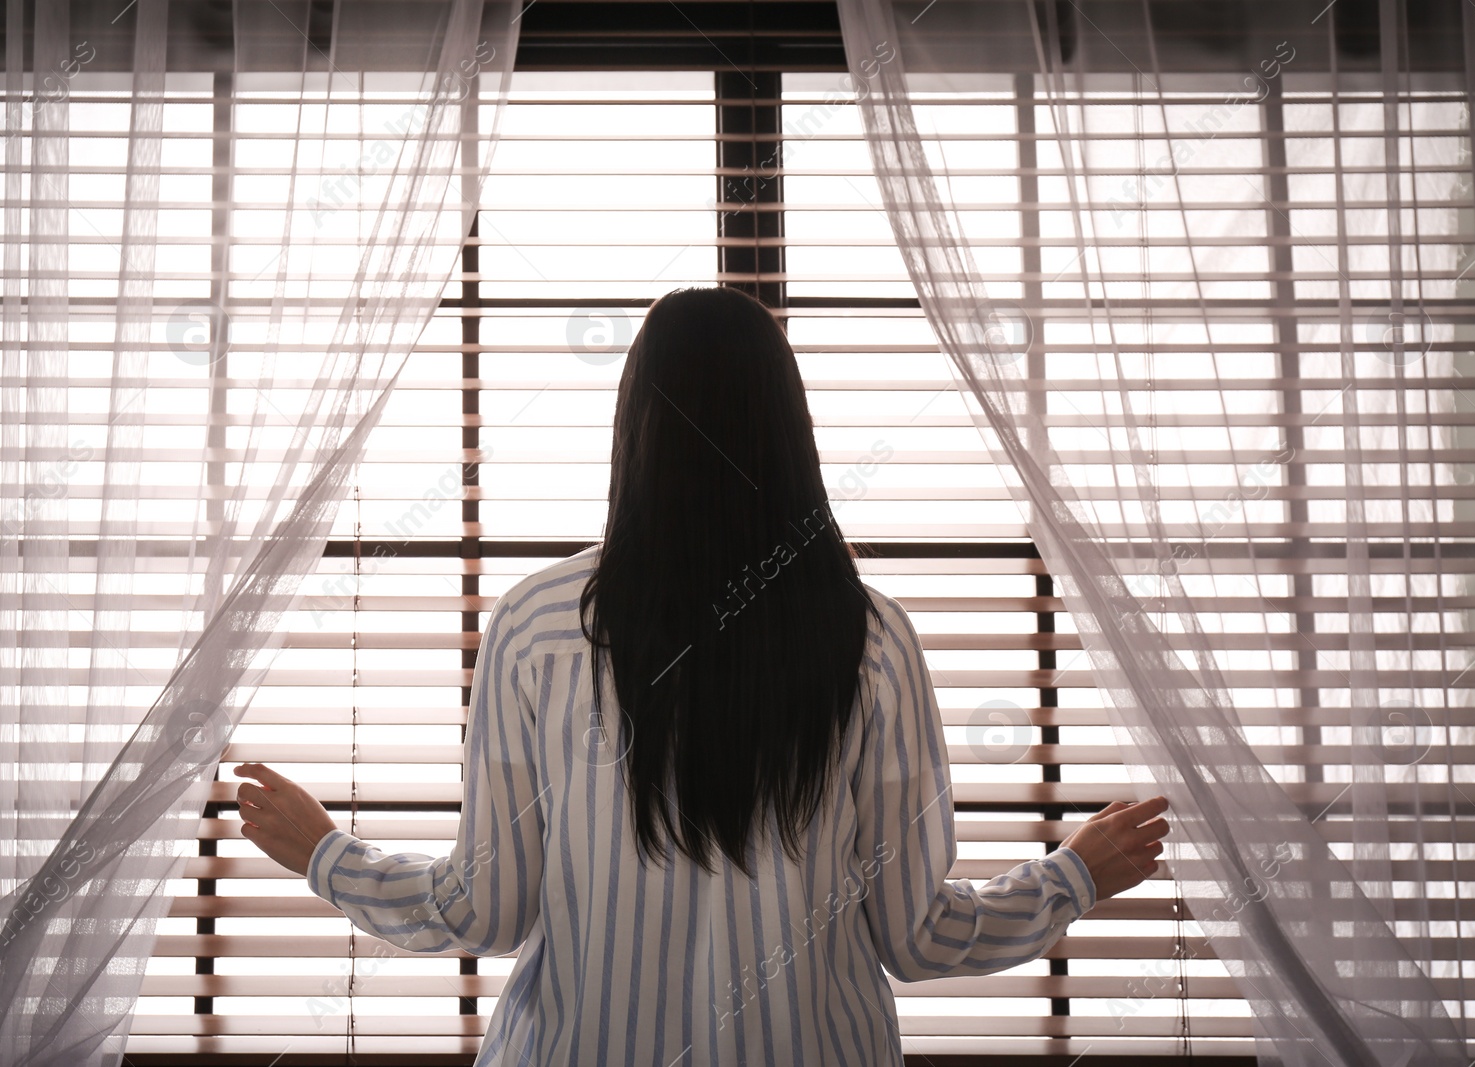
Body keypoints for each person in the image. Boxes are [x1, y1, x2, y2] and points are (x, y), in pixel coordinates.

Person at [235, 285, 1171, 1066]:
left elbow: (486, 909)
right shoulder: (873, 639)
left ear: (634, 426)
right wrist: (1071, 875)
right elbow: (915, 935)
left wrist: (326, 852)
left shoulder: (535, 627)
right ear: (789, 430)